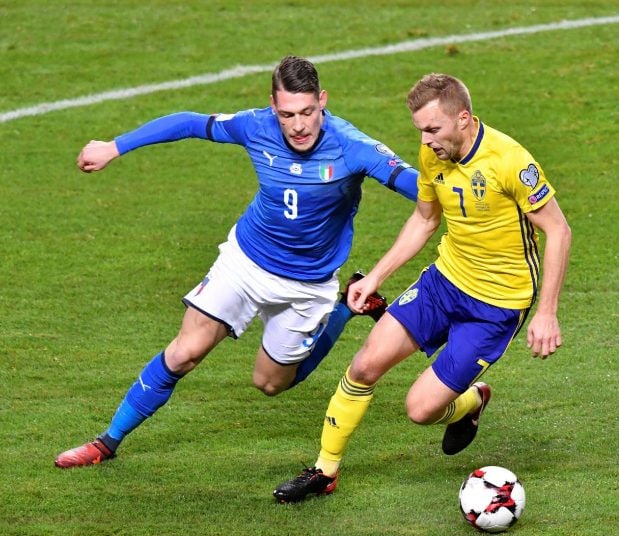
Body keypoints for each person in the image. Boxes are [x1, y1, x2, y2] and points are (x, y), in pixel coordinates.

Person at [54, 55, 418, 469]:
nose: (298, 126)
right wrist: (115, 146)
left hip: (307, 284)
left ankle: (343, 309)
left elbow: (420, 189)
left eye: (307, 112)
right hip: (246, 262)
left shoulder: (353, 147)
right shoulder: (255, 125)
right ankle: (106, 442)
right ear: (272, 106)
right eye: (287, 115)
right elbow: (190, 122)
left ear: (322, 101)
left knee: (270, 384)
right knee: (185, 352)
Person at [273, 72, 572, 503]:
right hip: (444, 282)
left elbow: (558, 231)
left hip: (496, 305)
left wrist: (546, 313)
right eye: (420, 131)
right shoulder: (434, 153)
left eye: (433, 129)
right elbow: (425, 219)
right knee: (364, 365)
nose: (426, 141)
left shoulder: (510, 161)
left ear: (463, 118)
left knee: (420, 410)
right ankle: (325, 470)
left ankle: (471, 403)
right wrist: (375, 277)